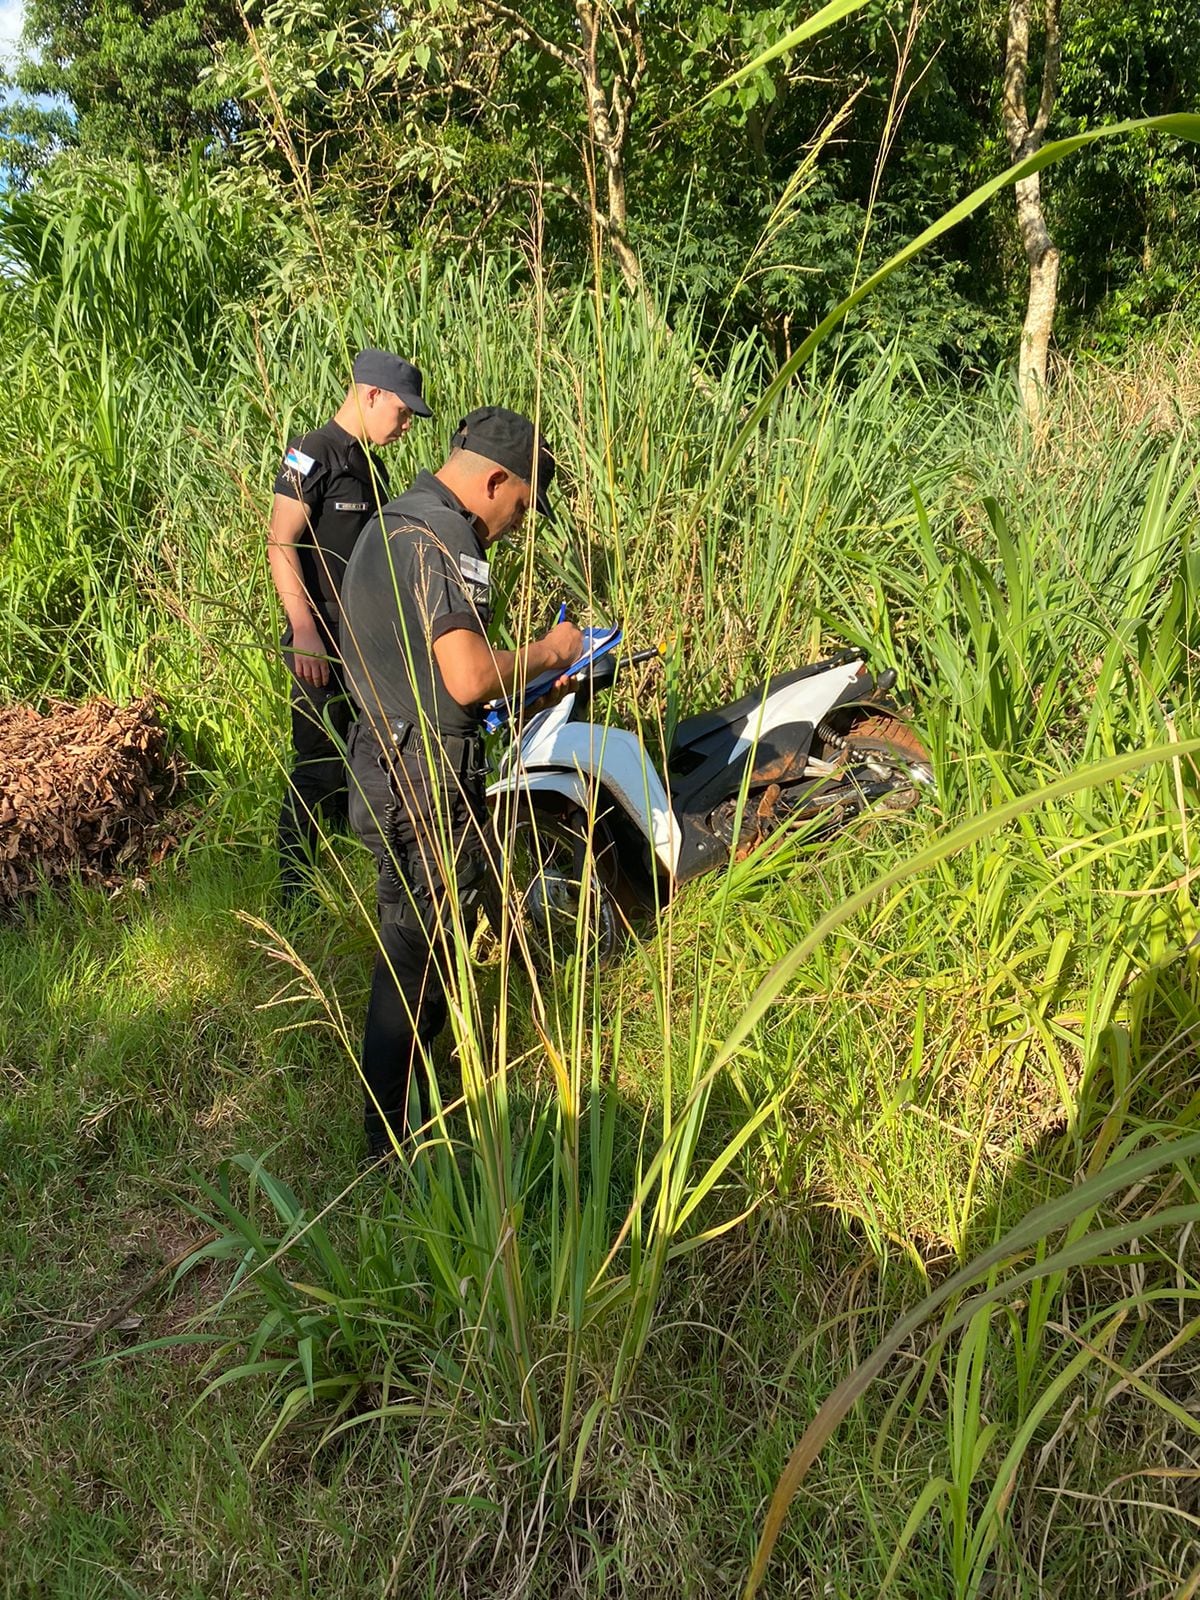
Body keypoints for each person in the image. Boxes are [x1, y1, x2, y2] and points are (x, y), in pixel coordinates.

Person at [339, 406, 583, 1159]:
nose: (516, 524)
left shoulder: (389, 526)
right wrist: (549, 651)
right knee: (422, 949)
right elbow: (471, 675)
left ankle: (409, 1103)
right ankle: (390, 1142)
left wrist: (523, 695)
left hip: (382, 764)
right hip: (423, 781)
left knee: (412, 943)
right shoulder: (444, 537)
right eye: (520, 506)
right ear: (496, 477)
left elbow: (417, 675)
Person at [268, 350, 433, 902]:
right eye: (403, 413)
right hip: (321, 637)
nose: (406, 425)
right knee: (316, 761)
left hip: (365, 641)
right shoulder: (313, 453)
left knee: (367, 751)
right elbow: (280, 542)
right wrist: (305, 631)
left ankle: (362, 865)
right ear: (371, 395)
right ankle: (293, 889)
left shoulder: (369, 461)